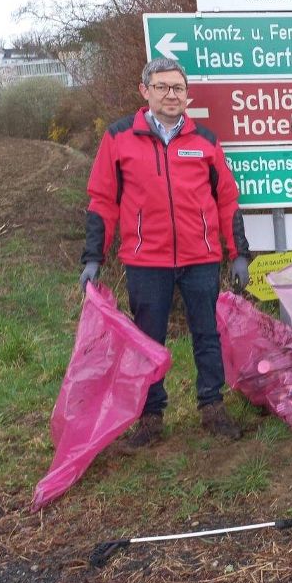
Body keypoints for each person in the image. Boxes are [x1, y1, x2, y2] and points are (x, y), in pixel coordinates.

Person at [80, 58, 252, 448]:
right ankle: (150, 417)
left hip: (201, 258)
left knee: (207, 334)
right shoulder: (119, 136)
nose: (171, 95)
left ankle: (212, 406)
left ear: (187, 95)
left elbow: (226, 200)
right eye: (162, 87)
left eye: (177, 88)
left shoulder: (205, 141)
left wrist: (237, 252)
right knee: (147, 341)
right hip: (146, 260)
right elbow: (103, 200)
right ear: (145, 91)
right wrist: (94, 258)